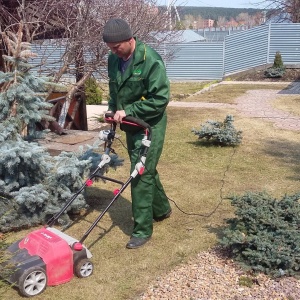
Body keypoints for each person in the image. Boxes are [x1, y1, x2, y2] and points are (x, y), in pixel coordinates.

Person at [102, 18, 172, 249]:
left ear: (130, 40)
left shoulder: (150, 60)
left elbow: (160, 99)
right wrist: (113, 109)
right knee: (145, 166)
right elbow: (115, 89)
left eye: (117, 47)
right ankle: (162, 210)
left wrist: (128, 110)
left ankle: (142, 230)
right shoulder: (114, 59)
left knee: (140, 172)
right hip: (129, 123)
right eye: (110, 48)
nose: (113, 52)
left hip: (150, 123)